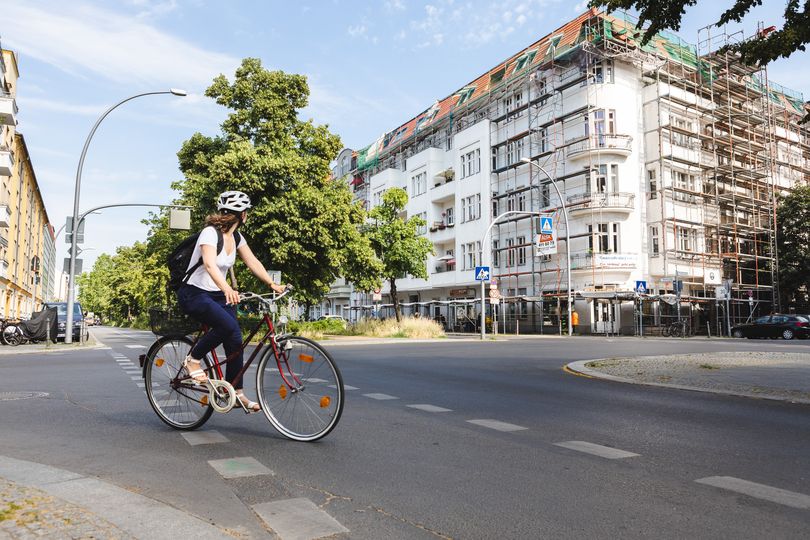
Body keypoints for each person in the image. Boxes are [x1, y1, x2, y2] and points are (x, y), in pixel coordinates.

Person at [177, 190, 285, 412]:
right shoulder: (209, 233)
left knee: (235, 338)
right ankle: (193, 360)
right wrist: (227, 288)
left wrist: (271, 284)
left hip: (217, 295)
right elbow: (209, 264)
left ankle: (236, 392)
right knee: (227, 326)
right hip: (194, 293)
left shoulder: (236, 238)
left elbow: (252, 261)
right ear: (243, 215)